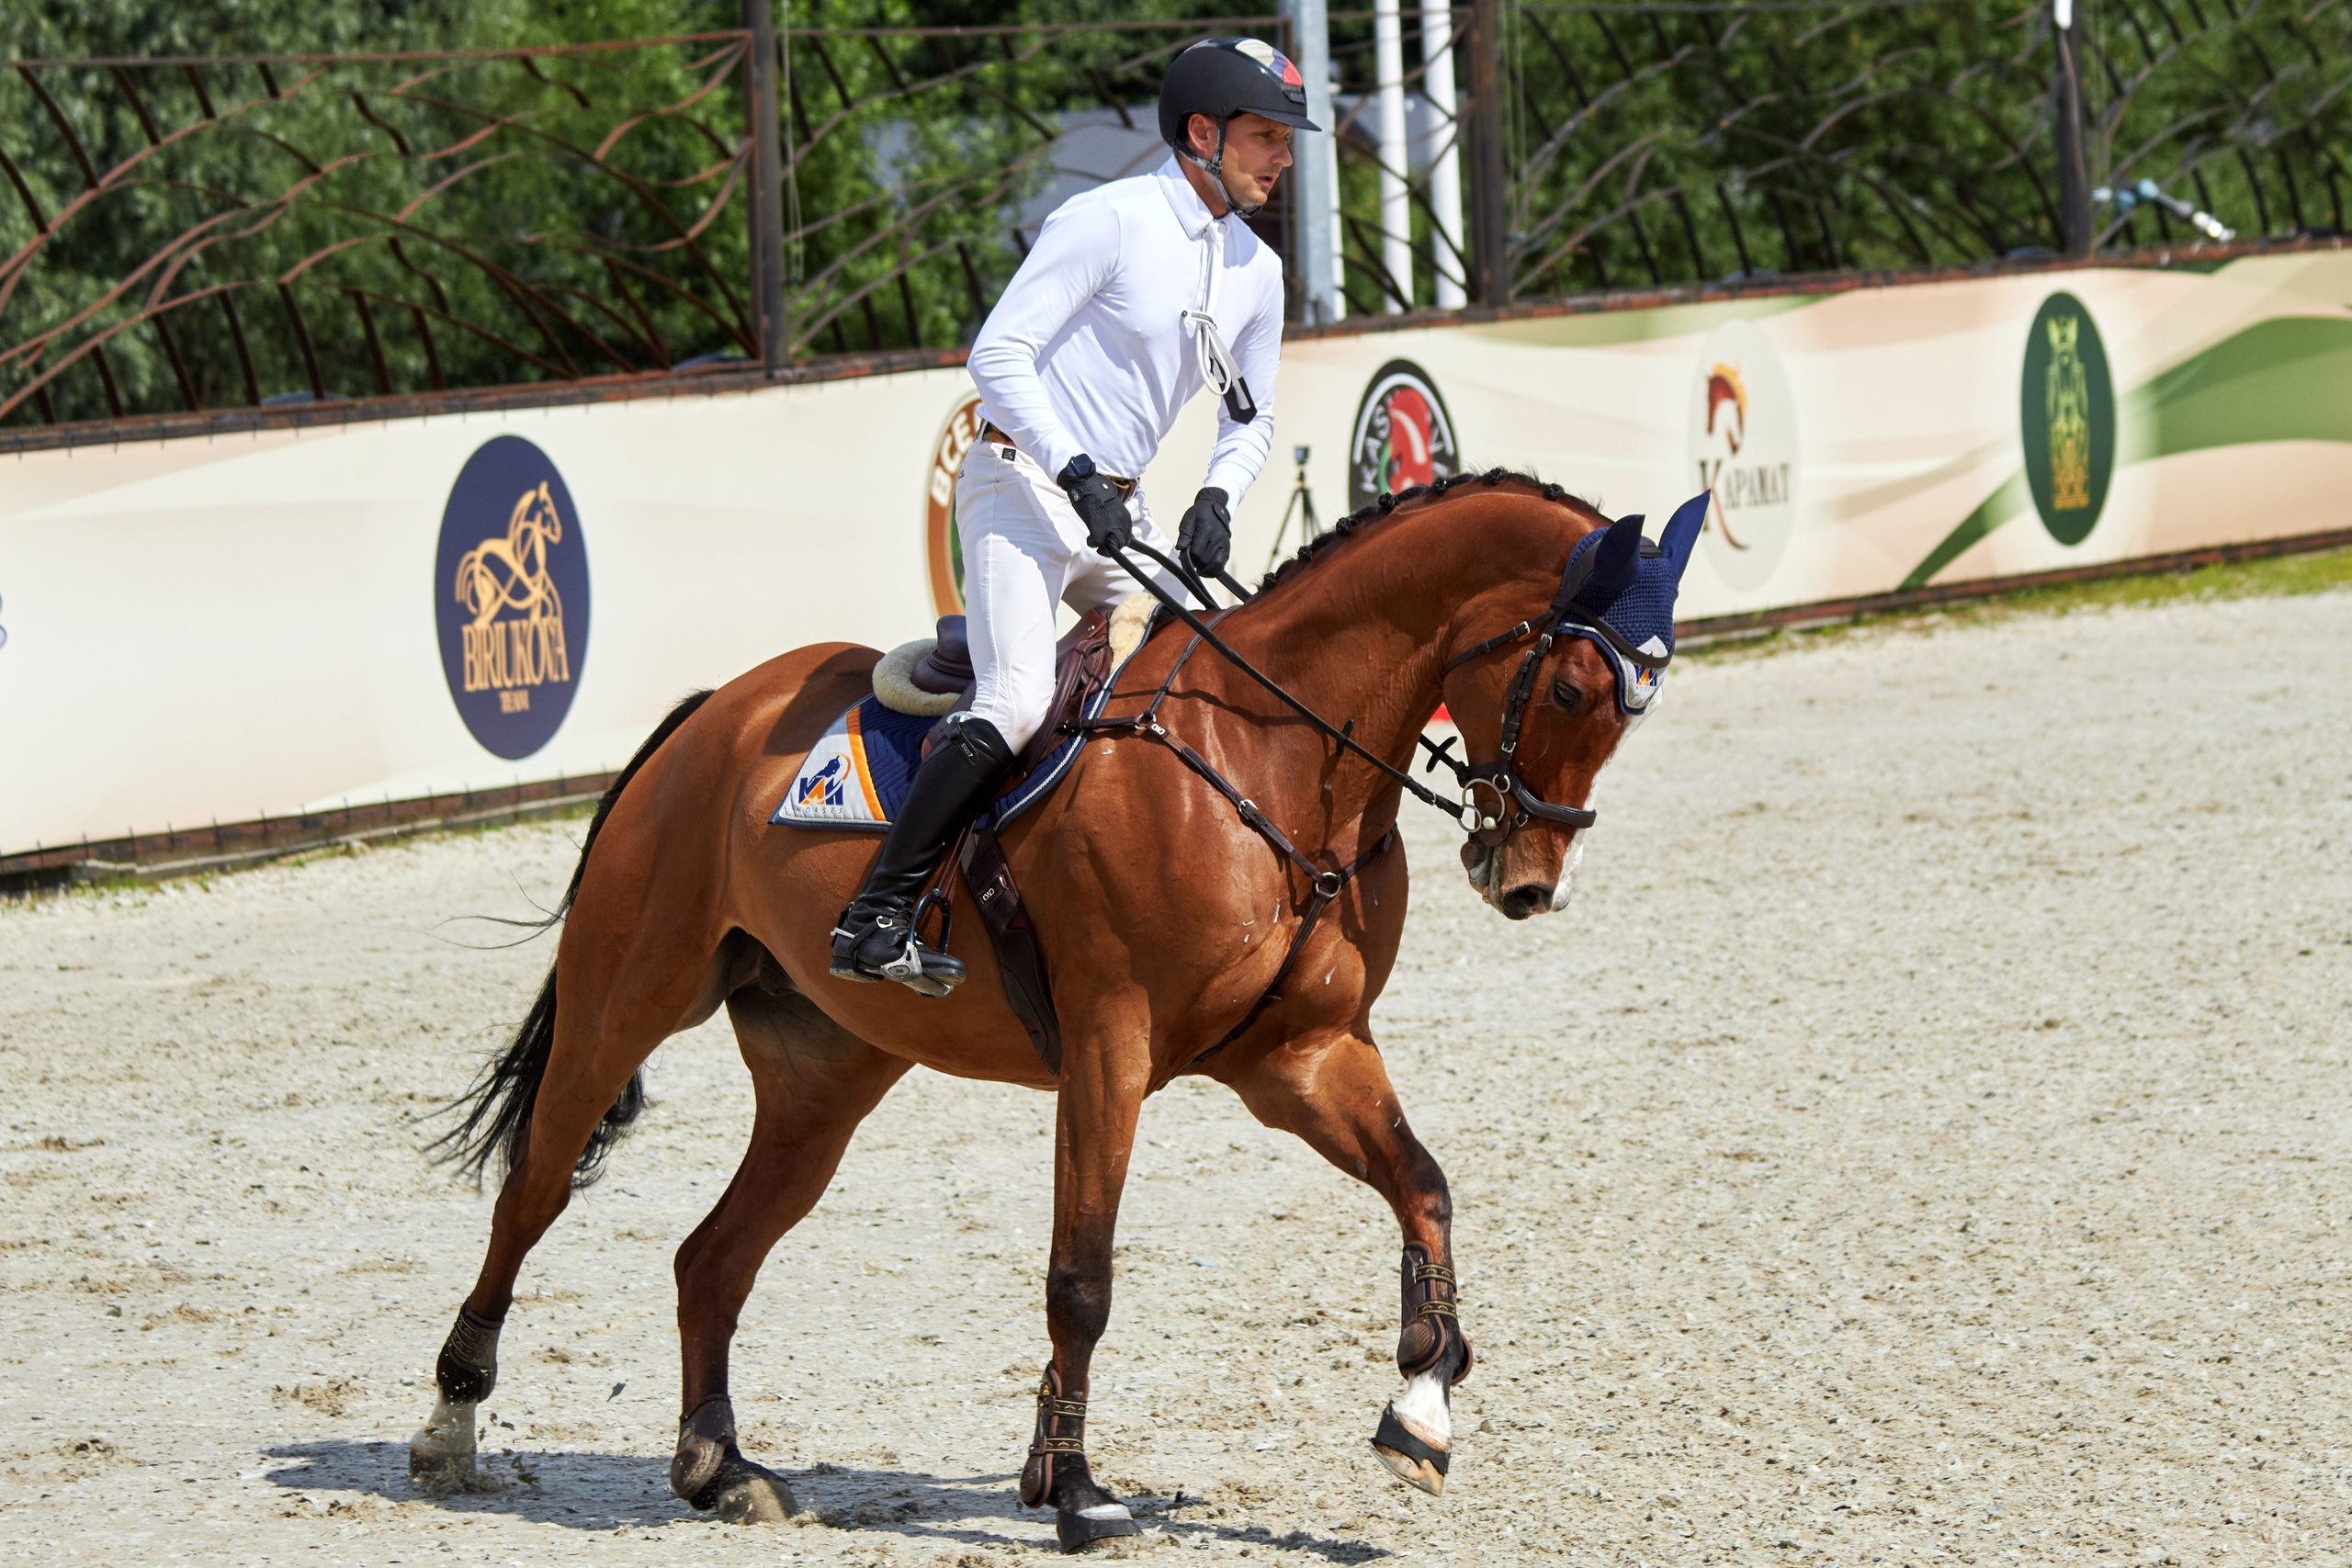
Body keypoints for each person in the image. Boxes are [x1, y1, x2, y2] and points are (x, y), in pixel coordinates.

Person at [830, 37, 1318, 995]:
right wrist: (1080, 471)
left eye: (1284, 141)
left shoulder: (1257, 274)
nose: (1283, 158)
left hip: (1117, 517)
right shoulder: (1107, 221)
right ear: (1203, 132)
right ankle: (874, 914)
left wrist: (1219, 492)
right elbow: (996, 356)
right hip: (1019, 487)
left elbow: (1249, 422)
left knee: (1217, 657)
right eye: (1267, 137)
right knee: (1013, 698)